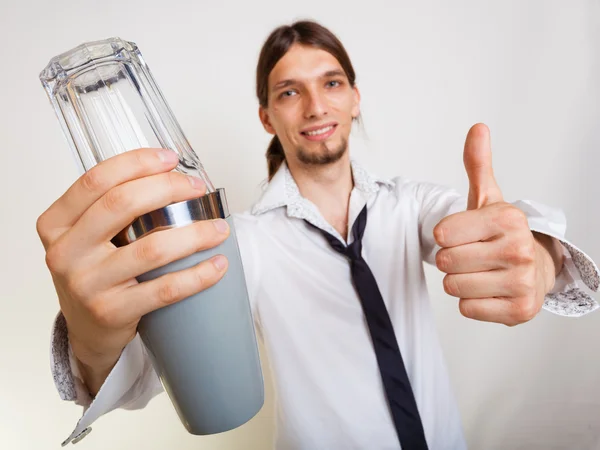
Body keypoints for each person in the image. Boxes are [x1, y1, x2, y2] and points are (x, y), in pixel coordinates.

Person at [38, 20, 599, 449]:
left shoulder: (413, 206)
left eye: (330, 83)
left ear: (355, 97)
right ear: (266, 117)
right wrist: (92, 342)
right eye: (289, 92)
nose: (315, 106)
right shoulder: (240, 242)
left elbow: (497, 231)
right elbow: (148, 365)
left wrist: (540, 259)